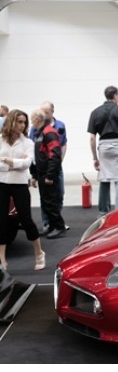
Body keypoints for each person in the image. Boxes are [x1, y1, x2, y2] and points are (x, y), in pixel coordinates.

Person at [0, 110, 45, 271]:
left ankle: (39, 253)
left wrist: (6, 160)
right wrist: (14, 163)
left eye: (24, 122)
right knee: (2, 220)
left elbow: (27, 164)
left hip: (19, 184)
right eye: (19, 121)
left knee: (26, 220)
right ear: (11, 122)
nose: (22, 125)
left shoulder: (28, 143)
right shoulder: (1, 140)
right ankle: (2, 259)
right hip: (2, 183)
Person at [87, 86, 118, 215]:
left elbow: (92, 138)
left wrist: (95, 158)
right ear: (115, 95)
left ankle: (103, 212)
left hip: (103, 146)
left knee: (104, 178)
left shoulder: (95, 112)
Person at [30, 101, 68, 234]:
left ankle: (59, 226)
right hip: (42, 173)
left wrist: (50, 175)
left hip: (48, 174)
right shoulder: (38, 133)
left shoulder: (48, 133)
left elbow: (55, 155)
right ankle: (51, 226)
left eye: (32, 120)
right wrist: (35, 175)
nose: (31, 123)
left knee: (52, 202)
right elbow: (37, 156)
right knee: (46, 202)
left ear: (37, 119)